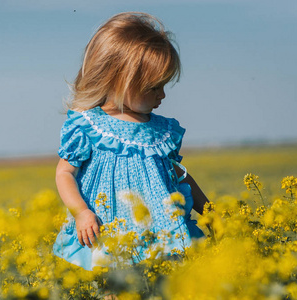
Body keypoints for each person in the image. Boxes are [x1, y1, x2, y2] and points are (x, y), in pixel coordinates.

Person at [53, 12, 209, 271]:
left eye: (164, 85)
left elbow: (181, 177)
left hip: (161, 231)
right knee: (113, 285)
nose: (163, 95)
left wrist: (212, 212)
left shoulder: (160, 130)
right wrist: (81, 213)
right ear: (119, 80)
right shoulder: (88, 125)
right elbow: (64, 173)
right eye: (154, 87)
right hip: (109, 229)